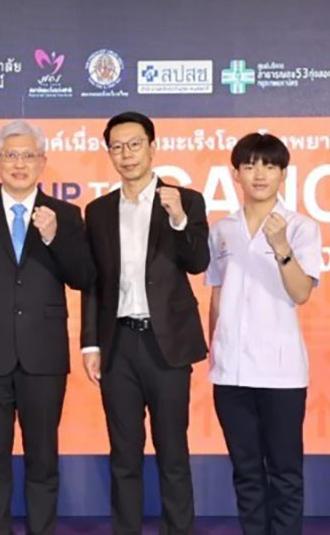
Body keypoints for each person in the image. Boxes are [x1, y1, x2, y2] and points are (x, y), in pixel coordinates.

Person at [0, 120, 95, 535]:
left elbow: (84, 277)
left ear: (43, 161)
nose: (19, 164)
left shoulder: (65, 215)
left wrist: (55, 237)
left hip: (44, 357)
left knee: (43, 459)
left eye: (28, 155)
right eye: (10, 155)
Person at [81, 111, 210, 534]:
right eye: (117, 147)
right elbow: (93, 281)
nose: (127, 154)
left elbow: (198, 261)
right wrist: (90, 344)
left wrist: (178, 220)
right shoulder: (98, 211)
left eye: (134, 144)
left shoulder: (186, 200)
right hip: (118, 344)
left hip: (166, 344)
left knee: (173, 452)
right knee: (124, 454)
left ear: (152, 148)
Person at [206, 133, 321, 535]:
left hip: (281, 373)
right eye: (250, 165)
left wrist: (280, 246)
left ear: (283, 174)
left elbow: (301, 292)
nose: (259, 174)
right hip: (230, 372)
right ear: (235, 173)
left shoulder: (301, 227)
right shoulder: (222, 229)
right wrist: (214, 347)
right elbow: (216, 293)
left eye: (269, 166)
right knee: (246, 471)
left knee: (285, 472)